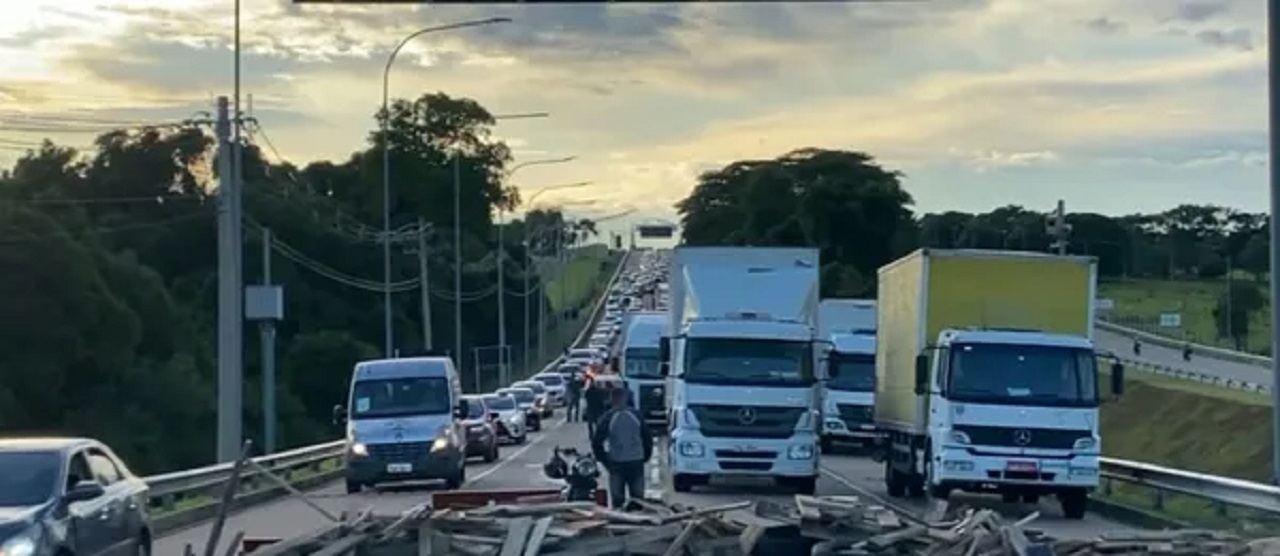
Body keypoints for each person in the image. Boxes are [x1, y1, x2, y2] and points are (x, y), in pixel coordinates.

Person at [591, 387, 653, 509]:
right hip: (636, 461)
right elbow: (647, 437)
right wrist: (645, 456)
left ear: (611, 400)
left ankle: (619, 522)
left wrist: (604, 460)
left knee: (618, 500)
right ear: (625, 398)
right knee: (638, 500)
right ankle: (638, 521)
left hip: (616, 462)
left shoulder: (607, 417)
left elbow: (597, 442)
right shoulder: (636, 415)